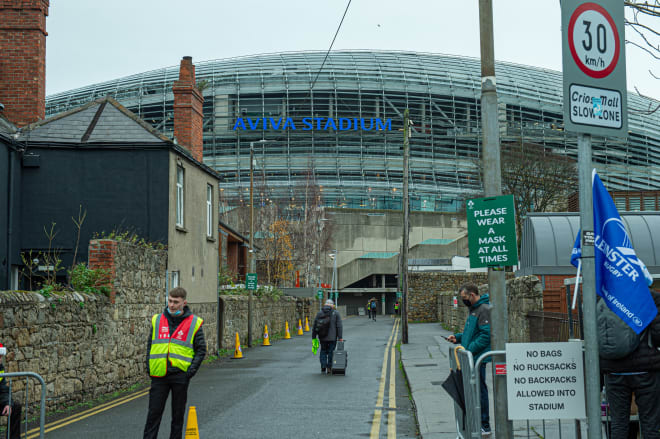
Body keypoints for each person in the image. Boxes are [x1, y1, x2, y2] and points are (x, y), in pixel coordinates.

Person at [144, 287, 206, 439]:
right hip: (159, 375)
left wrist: (190, 372)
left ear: (184, 303)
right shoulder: (157, 319)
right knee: (153, 415)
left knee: (177, 417)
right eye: (170, 301)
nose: (171, 305)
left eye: (175, 302)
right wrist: (148, 366)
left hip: (180, 376)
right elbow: (150, 345)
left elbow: (201, 350)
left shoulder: (194, 323)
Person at [600, 289, 660, 439]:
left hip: (614, 370)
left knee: (618, 424)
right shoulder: (650, 297)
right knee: (650, 424)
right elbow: (658, 334)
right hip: (646, 370)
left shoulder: (602, 296)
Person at [447, 284, 491, 435]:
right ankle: (477, 422)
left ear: (472, 295)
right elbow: (470, 332)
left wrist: (468, 350)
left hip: (477, 358)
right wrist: (458, 338)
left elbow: (485, 336)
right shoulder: (473, 309)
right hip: (470, 358)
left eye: (464, 298)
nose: (463, 301)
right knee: (473, 391)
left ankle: (485, 425)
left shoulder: (484, 309)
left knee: (480, 391)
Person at [312, 299, 343, 374]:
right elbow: (339, 326)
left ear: (325, 304)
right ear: (332, 305)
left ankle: (323, 366)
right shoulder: (336, 313)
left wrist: (314, 337)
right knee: (331, 352)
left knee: (323, 351)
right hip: (333, 337)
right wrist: (340, 337)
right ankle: (329, 367)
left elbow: (315, 325)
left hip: (322, 336)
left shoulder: (319, 313)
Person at [0, 344, 21, 439]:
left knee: (15, 406)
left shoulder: (0, 368)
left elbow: (3, 388)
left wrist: (7, 403)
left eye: (1, 357)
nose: (0, 360)